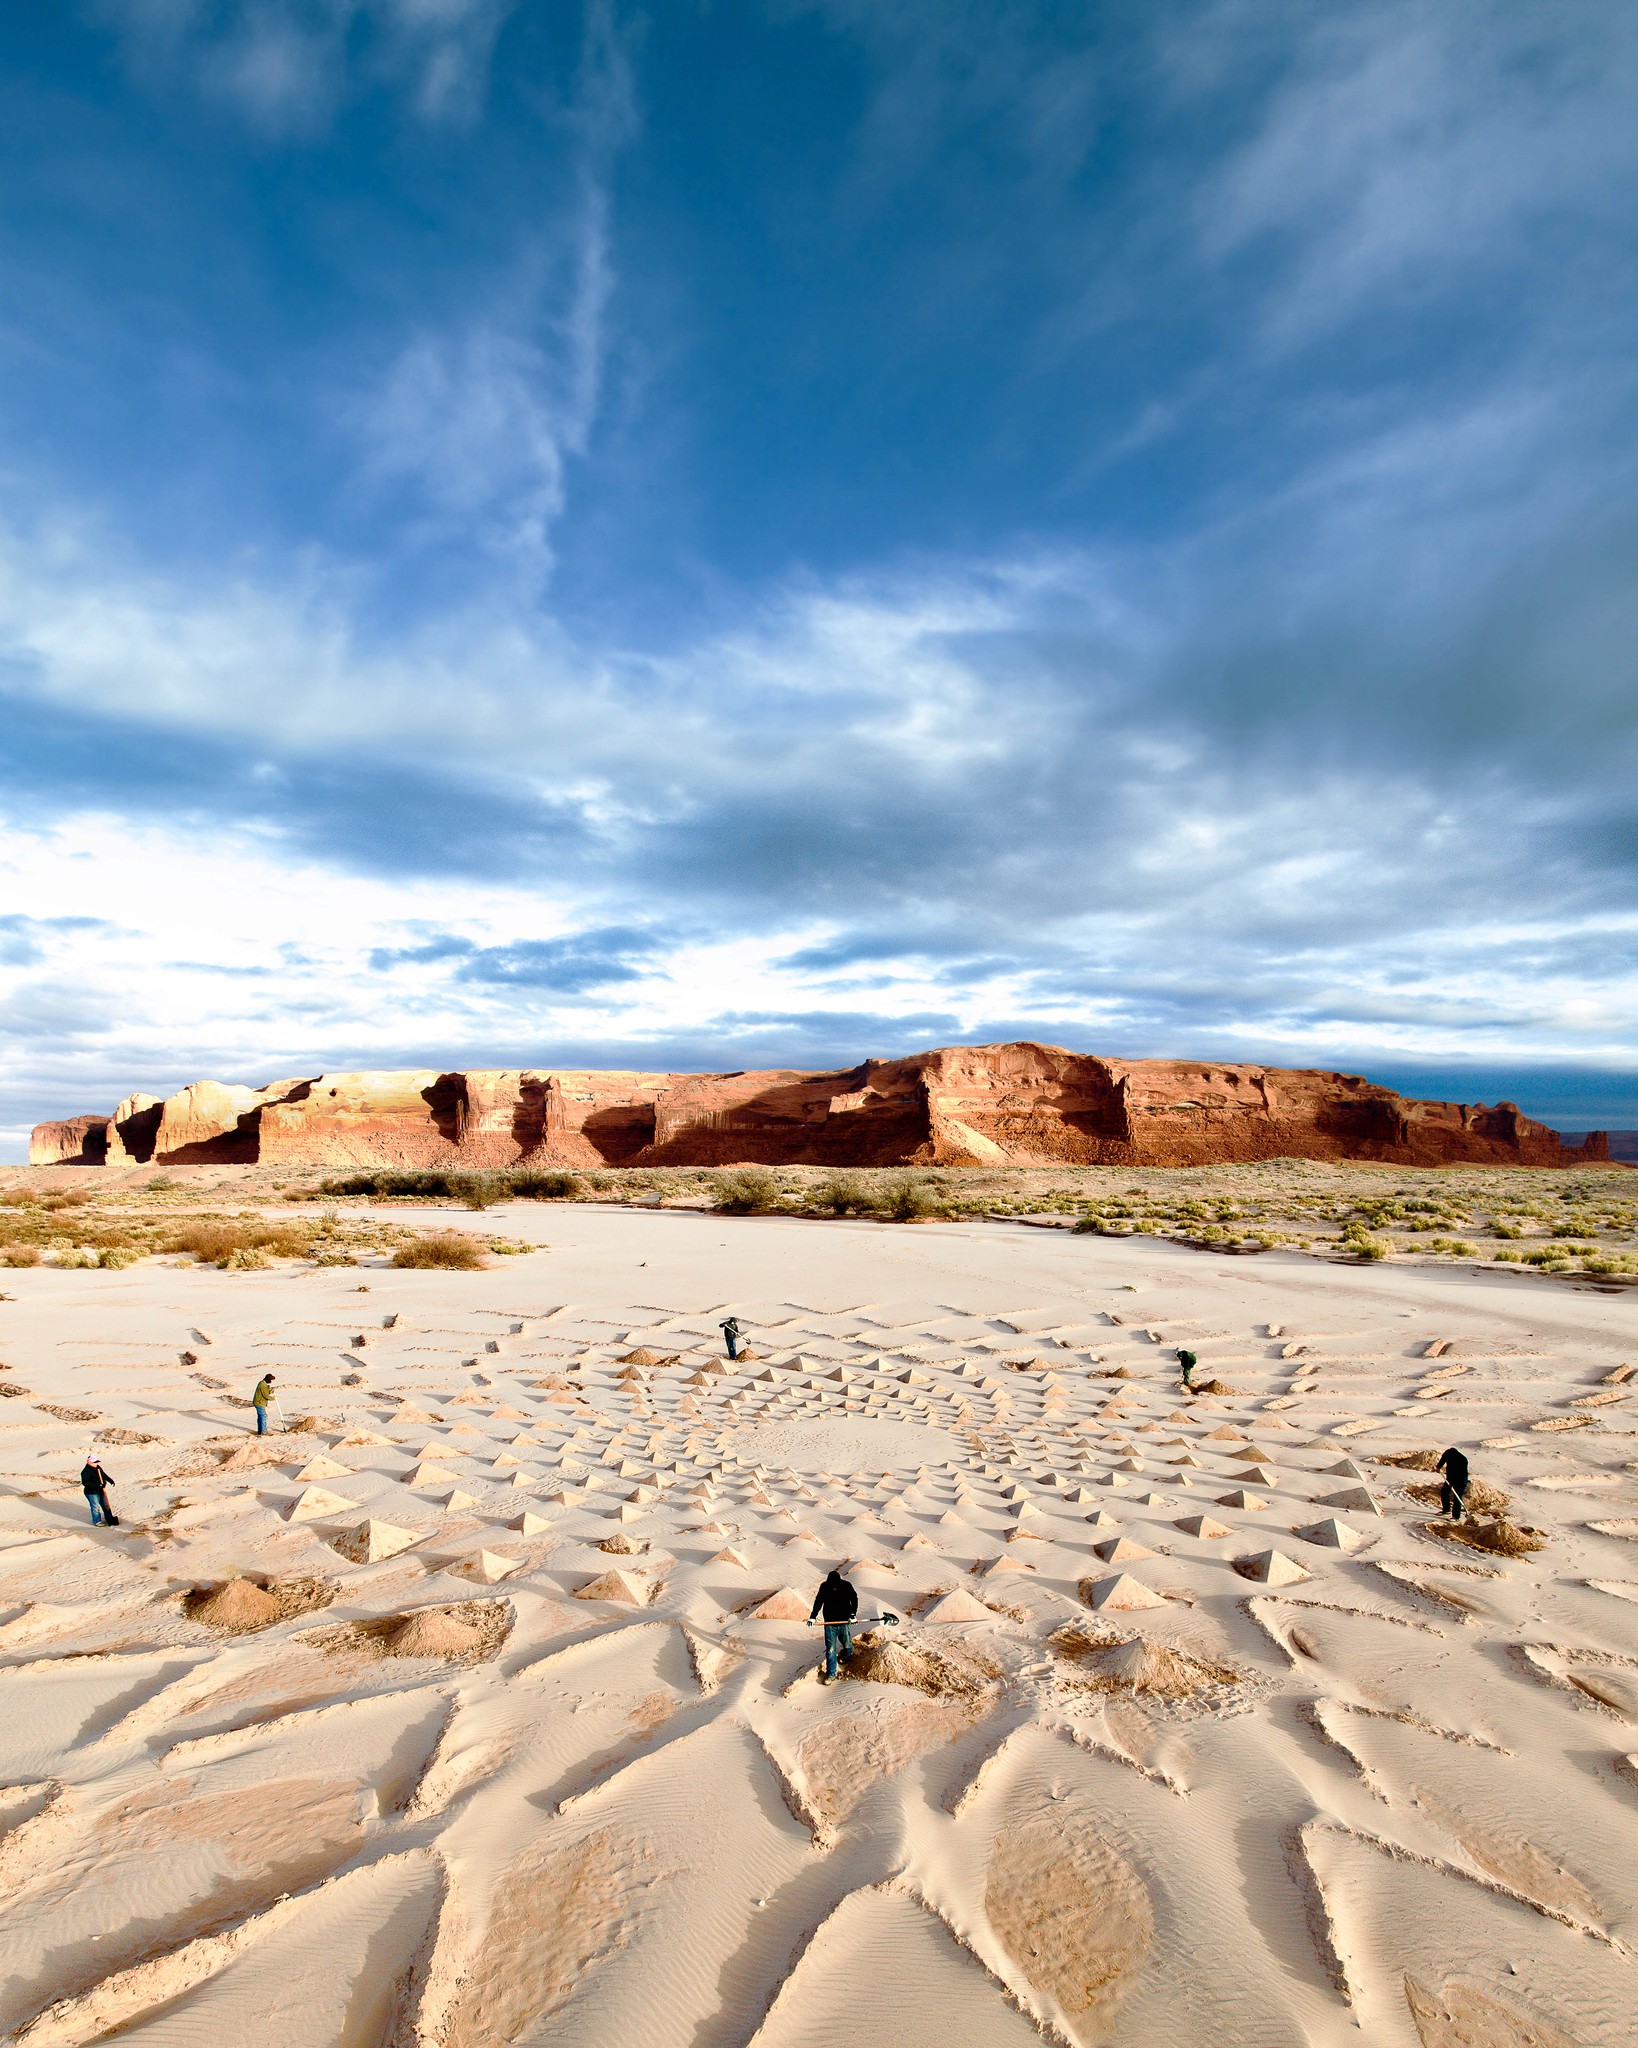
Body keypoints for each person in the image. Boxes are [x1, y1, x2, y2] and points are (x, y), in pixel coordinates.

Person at [809, 1566, 859, 1682]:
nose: (833, 1587)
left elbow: (854, 1598)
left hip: (844, 1622)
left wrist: (853, 1614)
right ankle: (831, 1674)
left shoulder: (846, 1585)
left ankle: (847, 1655)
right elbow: (818, 1601)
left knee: (847, 1643)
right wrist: (812, 1617)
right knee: (830, 1649)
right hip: (830, 1623)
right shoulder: (825, 1586)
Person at [81, 1455, 116, 1526]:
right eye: (94, 1462)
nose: (96, 1463)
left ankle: (109, 1519)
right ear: (88, 1462)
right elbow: (86, 1483)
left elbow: (103, 1475)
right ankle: (97, 1521)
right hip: (92, 1493)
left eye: (97, 1462)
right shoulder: (85, 1471)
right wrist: (99, 1485)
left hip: (101, 1490)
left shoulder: (98, 1468)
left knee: (105, 1505)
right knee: (96, 1507)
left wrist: (110, 1480)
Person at [1436, 1445, 1469, 1520]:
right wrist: (1439, 1467)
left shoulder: (1462, 1460)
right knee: (1444, 1492)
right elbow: (1443, 1460)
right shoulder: (1448, 1454)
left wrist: (1452, 1483)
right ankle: (1446, 1510)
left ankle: (1456, 1516)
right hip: (1451, 1477)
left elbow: (1460, 1473)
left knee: (1457, 1497)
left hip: (1461, 1479)